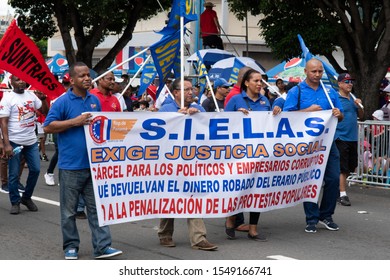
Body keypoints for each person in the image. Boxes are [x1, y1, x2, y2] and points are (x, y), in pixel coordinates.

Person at [43, 62, 122, 260]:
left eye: (88, 75)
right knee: (69, 211)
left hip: (94, 165)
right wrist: (74, 122)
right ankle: (71, 246)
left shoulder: (94, 100)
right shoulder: (63, 102)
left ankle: (102, 247)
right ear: (72, 79)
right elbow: (47, 127)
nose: (87, 78)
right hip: (71, 166)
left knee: (97, 210)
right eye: (82, 76)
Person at [283, 58, 344, 233]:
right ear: (305, 72)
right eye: (313, 71)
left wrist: (338, 114)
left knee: (332, 180)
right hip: (307, 146)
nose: (317, 75)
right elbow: (287, 117)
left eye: (320, 71)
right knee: (310, 181)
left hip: (328, 143)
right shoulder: (297, 91)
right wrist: (307, 111)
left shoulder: (330, 91)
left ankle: (326, 215)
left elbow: (340, 117)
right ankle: (311, 218)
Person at [157, 77, 218, 251]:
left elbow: (209, 129)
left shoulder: (198, 108)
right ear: (176, 93)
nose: (191, 92)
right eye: (187, 89)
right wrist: (177, 117)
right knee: (171, 197)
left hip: (193, 162)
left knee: (193, 197)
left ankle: (199, 238)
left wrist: (199, 117)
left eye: (192, 89)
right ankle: (165, 233)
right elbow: (159, 133)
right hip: (171, 162)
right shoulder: (166, 109)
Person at [224, 68, 282, 241]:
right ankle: (231, 217)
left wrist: (276, 110)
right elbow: (222, 124)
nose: (259, 84)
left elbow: (270, 124)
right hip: (239, 153)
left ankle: (253, 228)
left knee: (258, 188)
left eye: (261, 81)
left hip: (260, 153)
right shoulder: (235, 100)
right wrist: (236, 117)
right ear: (247, 83)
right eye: (256, 81)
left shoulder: (265, 100)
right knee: (238, 187)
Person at [0, 75, 49, 214]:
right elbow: (3, 122)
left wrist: (43, 99)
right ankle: (15, 202)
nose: (21, 82)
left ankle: (26, 198)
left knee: (36, 170)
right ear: (11, 82)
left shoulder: (32, 96)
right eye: (17, 80)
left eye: (22, 79)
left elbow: (45, 112)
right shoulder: (8, 98)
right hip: (15, 142)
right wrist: (7, 144)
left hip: (31, 141)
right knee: (14, 174)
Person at [334, 73, 364, 206]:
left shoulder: (353, 99)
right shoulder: (334, 98)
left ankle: (336, 189)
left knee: (351, 166)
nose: (350, 83)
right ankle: (342, 194)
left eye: (351, 81)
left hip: (352, 137)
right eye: (346, 81)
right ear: (340, 84)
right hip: (340, 137)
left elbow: (362, 116)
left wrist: (359, 106)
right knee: (343, 167)